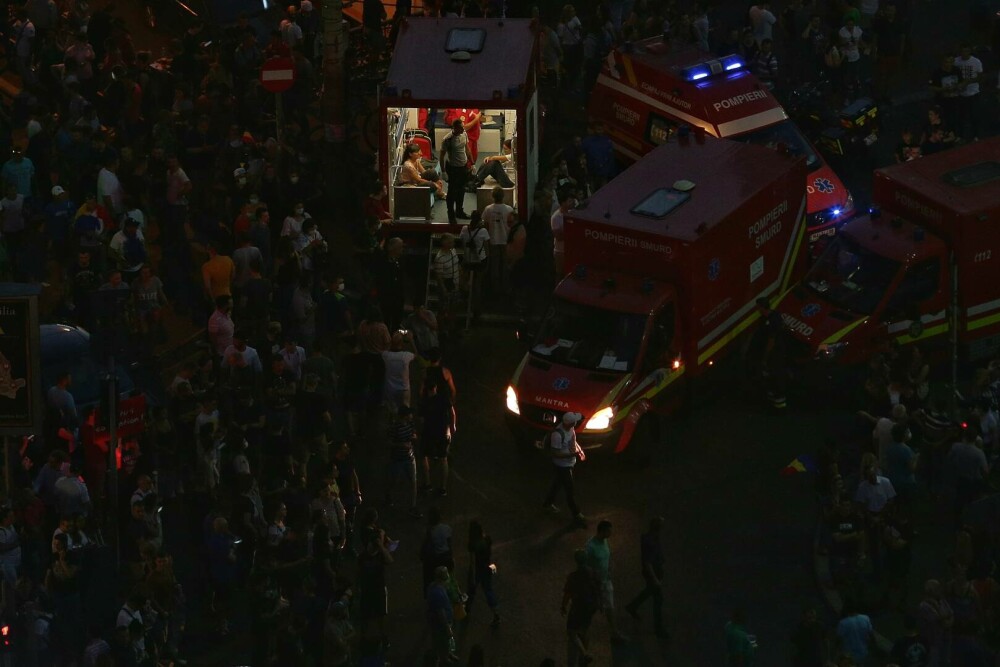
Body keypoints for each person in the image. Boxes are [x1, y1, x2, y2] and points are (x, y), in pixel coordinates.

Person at [624, 516, 667, 638]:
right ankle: (658, 628)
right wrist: (655, 579)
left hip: (653, 572)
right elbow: (648, 563)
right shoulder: (651, 541)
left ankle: (632, 606)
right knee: (658, 601)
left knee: (649, 591)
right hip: (653, 573)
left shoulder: (649, 538)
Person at [586, 520, 627, 645]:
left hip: (606, 581)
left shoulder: (605, 541)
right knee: (592, 608)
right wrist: (594, 583)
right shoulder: (590, 547)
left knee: (609, 607)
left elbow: (608, 555)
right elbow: (588, 567)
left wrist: (609, 567)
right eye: (609, 530)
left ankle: (614, 633)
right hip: (596, 583)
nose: (611, 533)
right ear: (602, 531)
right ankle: (582, 631)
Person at [542, 412, 587, 525]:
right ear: (569, 423)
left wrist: (579, 450)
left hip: (568, 463)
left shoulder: (570, 429)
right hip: (562, 466)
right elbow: (555, 454)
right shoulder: (557, 435)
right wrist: (572, 455)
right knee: (570, 490)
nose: (575, 423)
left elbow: (573, 441)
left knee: (557, 484)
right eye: (574, 422)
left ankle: (547, 504)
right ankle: (576, 514)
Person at [562, 548, 600, 667]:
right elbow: (599, 589)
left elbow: (567, 593)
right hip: (590, 607)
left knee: (572, 632)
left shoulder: (573, 576)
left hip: (577, 608)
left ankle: (584, 653)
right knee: (585, 630)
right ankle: (583, 660)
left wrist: (563, 606)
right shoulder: (593, 573)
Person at [466, 519, 500, 627]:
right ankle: (495, 613)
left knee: (471, 589)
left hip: (478, 570)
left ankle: (467, 609)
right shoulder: (487, 539)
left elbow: (472, 562)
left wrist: (471, 575)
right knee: (488, 590)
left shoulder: (473, 544)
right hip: (487, 567)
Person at [439, 119, 473, 224]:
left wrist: (472, 163)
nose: (464, 128)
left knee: (461, 190)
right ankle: (451, 215)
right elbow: (441, 156)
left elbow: (467, 149)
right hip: (453, 169)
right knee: (452, 192)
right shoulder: (447, 139)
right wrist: (443, 171)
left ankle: (459, 211)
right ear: (455, 128)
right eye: (461, 127)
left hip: (463, 167)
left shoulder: (464, 134)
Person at [482, 186, 514, 296]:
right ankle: (506, 288)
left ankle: (495, 290)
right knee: (505, 265)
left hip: (493, 240)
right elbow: (512, 225)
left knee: (494, 266)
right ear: (503, 196)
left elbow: (485, 225)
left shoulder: (488, 209)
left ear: (492, 196)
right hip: (505, 240)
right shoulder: (509, 209)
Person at [427, 566, 458, 662]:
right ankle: (444, 659)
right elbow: (441, 613)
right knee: (442, 642)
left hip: (440, 622)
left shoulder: (437, 587)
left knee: (445, 642)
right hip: (440, 624)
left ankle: (448, 654)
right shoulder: (438, 592)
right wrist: (447, 628)